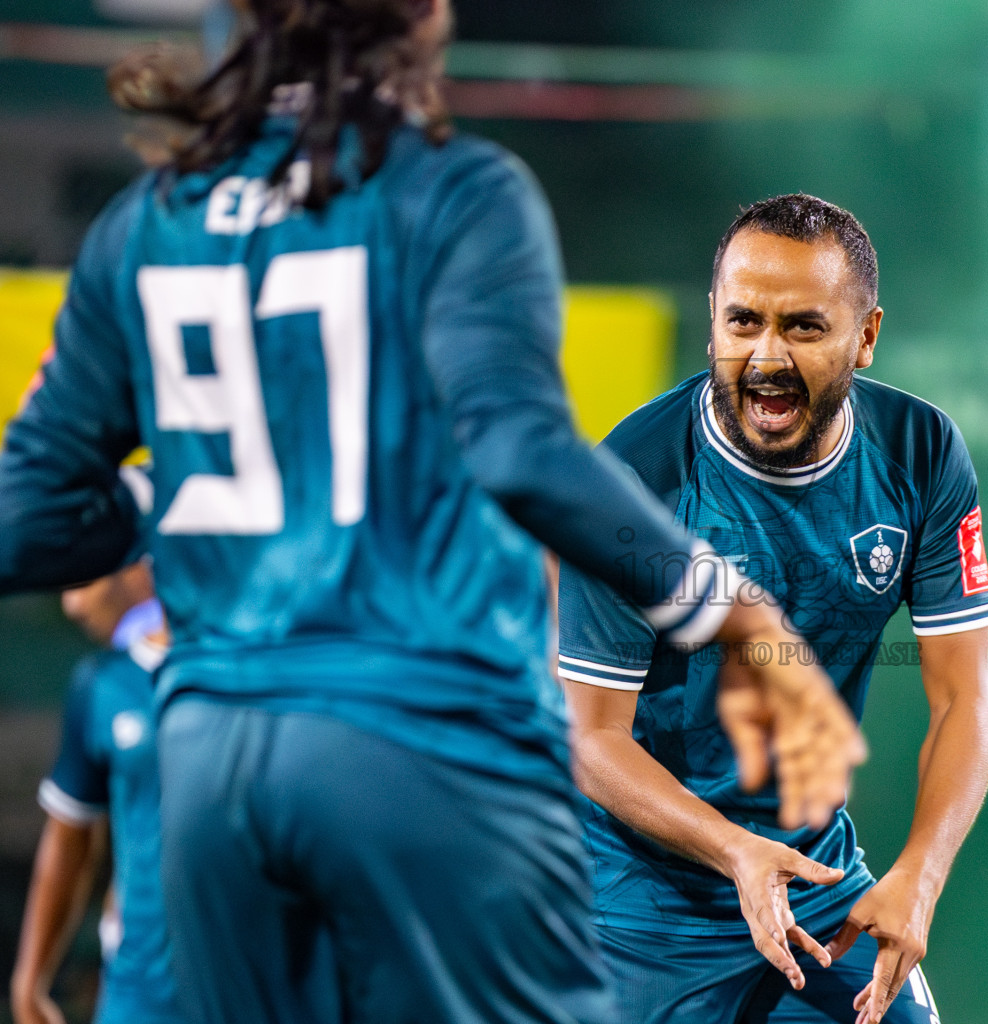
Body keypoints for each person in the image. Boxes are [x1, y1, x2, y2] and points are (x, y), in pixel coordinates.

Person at [0, 3, 864, 1021]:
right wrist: (727, 607)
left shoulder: (147, 221)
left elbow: (28, 520)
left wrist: (178, 483)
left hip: (213, 768)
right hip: (424, 751)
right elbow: (521, 450)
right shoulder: (457, 192)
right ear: (412, 22)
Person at [558, 194, 988, 1024]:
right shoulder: (630, 481)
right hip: (642, 907)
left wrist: (919, 875)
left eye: (802, 327)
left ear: (865, 337)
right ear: (712, 329)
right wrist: (733, 851)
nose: (765, 356)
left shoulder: (922, 453)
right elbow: (591, 736)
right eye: (742, 323)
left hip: (815, 884)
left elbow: (964, 697)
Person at [9, 560, 184, 1024]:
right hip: (140, 988)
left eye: (84, 579)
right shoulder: (103, 683)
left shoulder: (253, 677)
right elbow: (69, 835)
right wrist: (30, 979)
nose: (73, 605)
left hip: (248, 973)